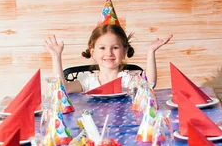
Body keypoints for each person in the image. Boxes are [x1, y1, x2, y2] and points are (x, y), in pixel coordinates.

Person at [44, 20, 172, 94]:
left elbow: (149, 83)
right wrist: (56, 57)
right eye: (102, 48)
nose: (109, 53)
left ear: (124, 51)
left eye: (115, 47)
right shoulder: (88, 81)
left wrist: (151, 51)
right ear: (93, 52)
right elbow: (62, 90)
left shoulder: (127, 80)